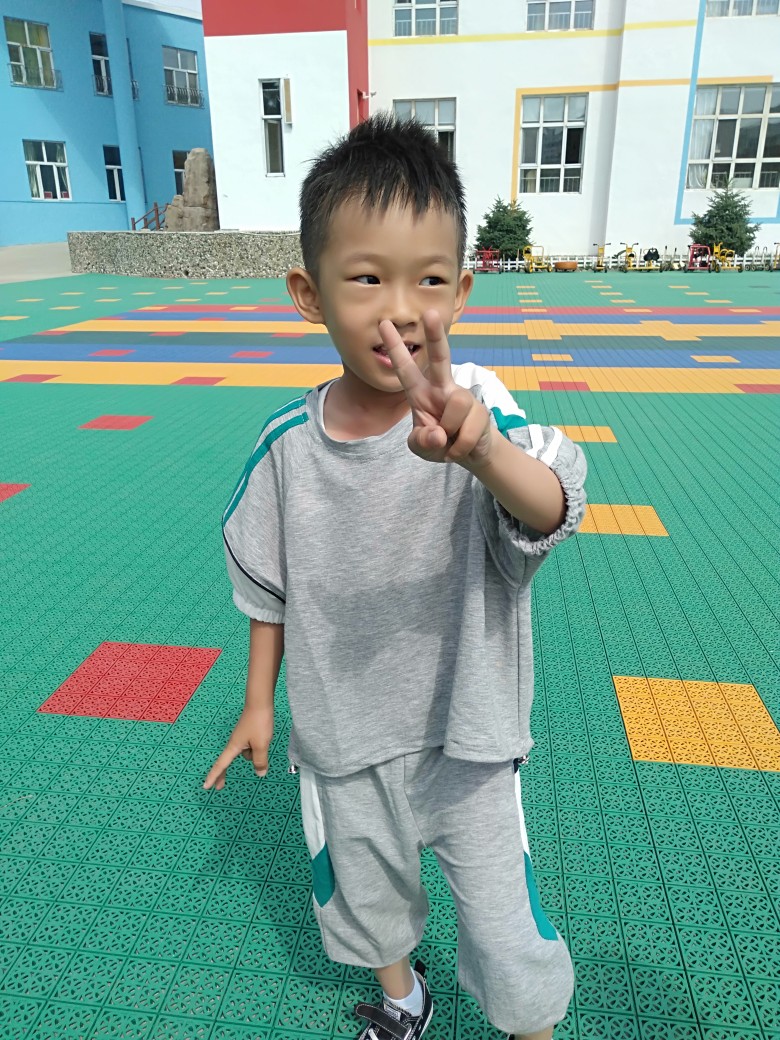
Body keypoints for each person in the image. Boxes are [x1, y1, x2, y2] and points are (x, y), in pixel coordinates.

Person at [204, 112, 587, 1040]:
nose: (402, 310)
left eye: (429, 280)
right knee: (368, 898)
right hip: (342, 740)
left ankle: (530, 1026)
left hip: (469, 738)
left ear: (461, 290)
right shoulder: (287, 448)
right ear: (310, 293)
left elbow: (551, 506)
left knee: (507, 929)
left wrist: (482, 453)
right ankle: (404, 996)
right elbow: (268, 588)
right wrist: (258, 704)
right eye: (369, 278)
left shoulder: (479, 407)